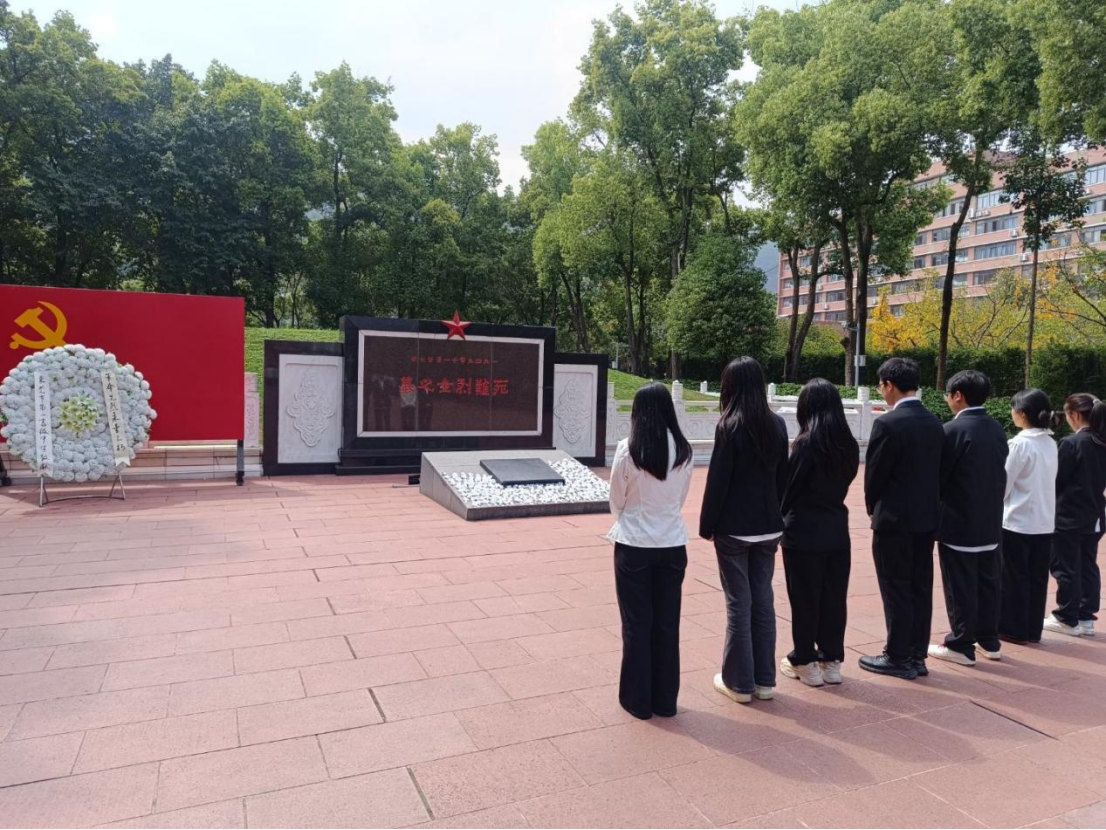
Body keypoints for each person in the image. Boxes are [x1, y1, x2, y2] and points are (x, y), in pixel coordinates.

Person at [700, 357, 789, 704]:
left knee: (739, 604)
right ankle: (764, 682)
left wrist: (707, 525)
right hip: (768, 528)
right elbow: (782, 478)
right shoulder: (777, 424)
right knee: (762, 601)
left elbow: (718, 482)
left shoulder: (729, 426)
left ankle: (739, 683)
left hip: (734, 530)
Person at [608, 383, 695, 719]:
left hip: (635, 545)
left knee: (636, 624)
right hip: (672, 544)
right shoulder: (683, 450)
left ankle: (638, 700)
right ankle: (665, 700)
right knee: (667, 625)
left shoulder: (629, 449)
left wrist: (631, 518)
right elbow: (680, 498)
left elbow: (616, 499)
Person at [860, 357, 944, 680]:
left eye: (881, 386)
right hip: (926, 518)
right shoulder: (934, 422)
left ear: (889, 385)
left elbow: (875, 475)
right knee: (920, 586)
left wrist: (873, 506)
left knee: (895, 587)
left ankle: (897, 655)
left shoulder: (888, 424)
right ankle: (917, 655)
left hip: (894, 519)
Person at [779, 378, 860, 687]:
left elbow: (789, 490)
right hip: (836, 528)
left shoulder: (806, 444)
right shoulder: (848, 444)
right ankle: (832, 660)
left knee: (805, 599)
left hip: (803, 531)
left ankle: (805, 660)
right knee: (834, 598)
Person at [928, 371, 1009, 667]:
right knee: (987, 583)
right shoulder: (996, 428)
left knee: (959, 585)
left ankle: (961, 644)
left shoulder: (952, 430)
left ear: (958, 395)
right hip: (990, 520)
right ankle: (989, 640)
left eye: (948, 395)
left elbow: (939, 477)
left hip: (959, 521)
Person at [999, 389, 1059, 645]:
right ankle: (1033, 629)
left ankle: (1013, 629)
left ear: (1022, 413)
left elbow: (1004, 484)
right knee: (1036, 578)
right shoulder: (1050, 443)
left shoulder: (1019, 444)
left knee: (1014, 578)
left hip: (1017, 520)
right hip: (1044, 520)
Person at [1046, 393, 1106, 637]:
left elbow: (1056, 481)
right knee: (1087, 564)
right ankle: (1085, 617)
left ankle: (1066, 617)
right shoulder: (1101, 442)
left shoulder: (1072, 443)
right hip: (1094, 514)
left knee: (1066, 566)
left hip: (1069, 515)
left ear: (1074, 415)